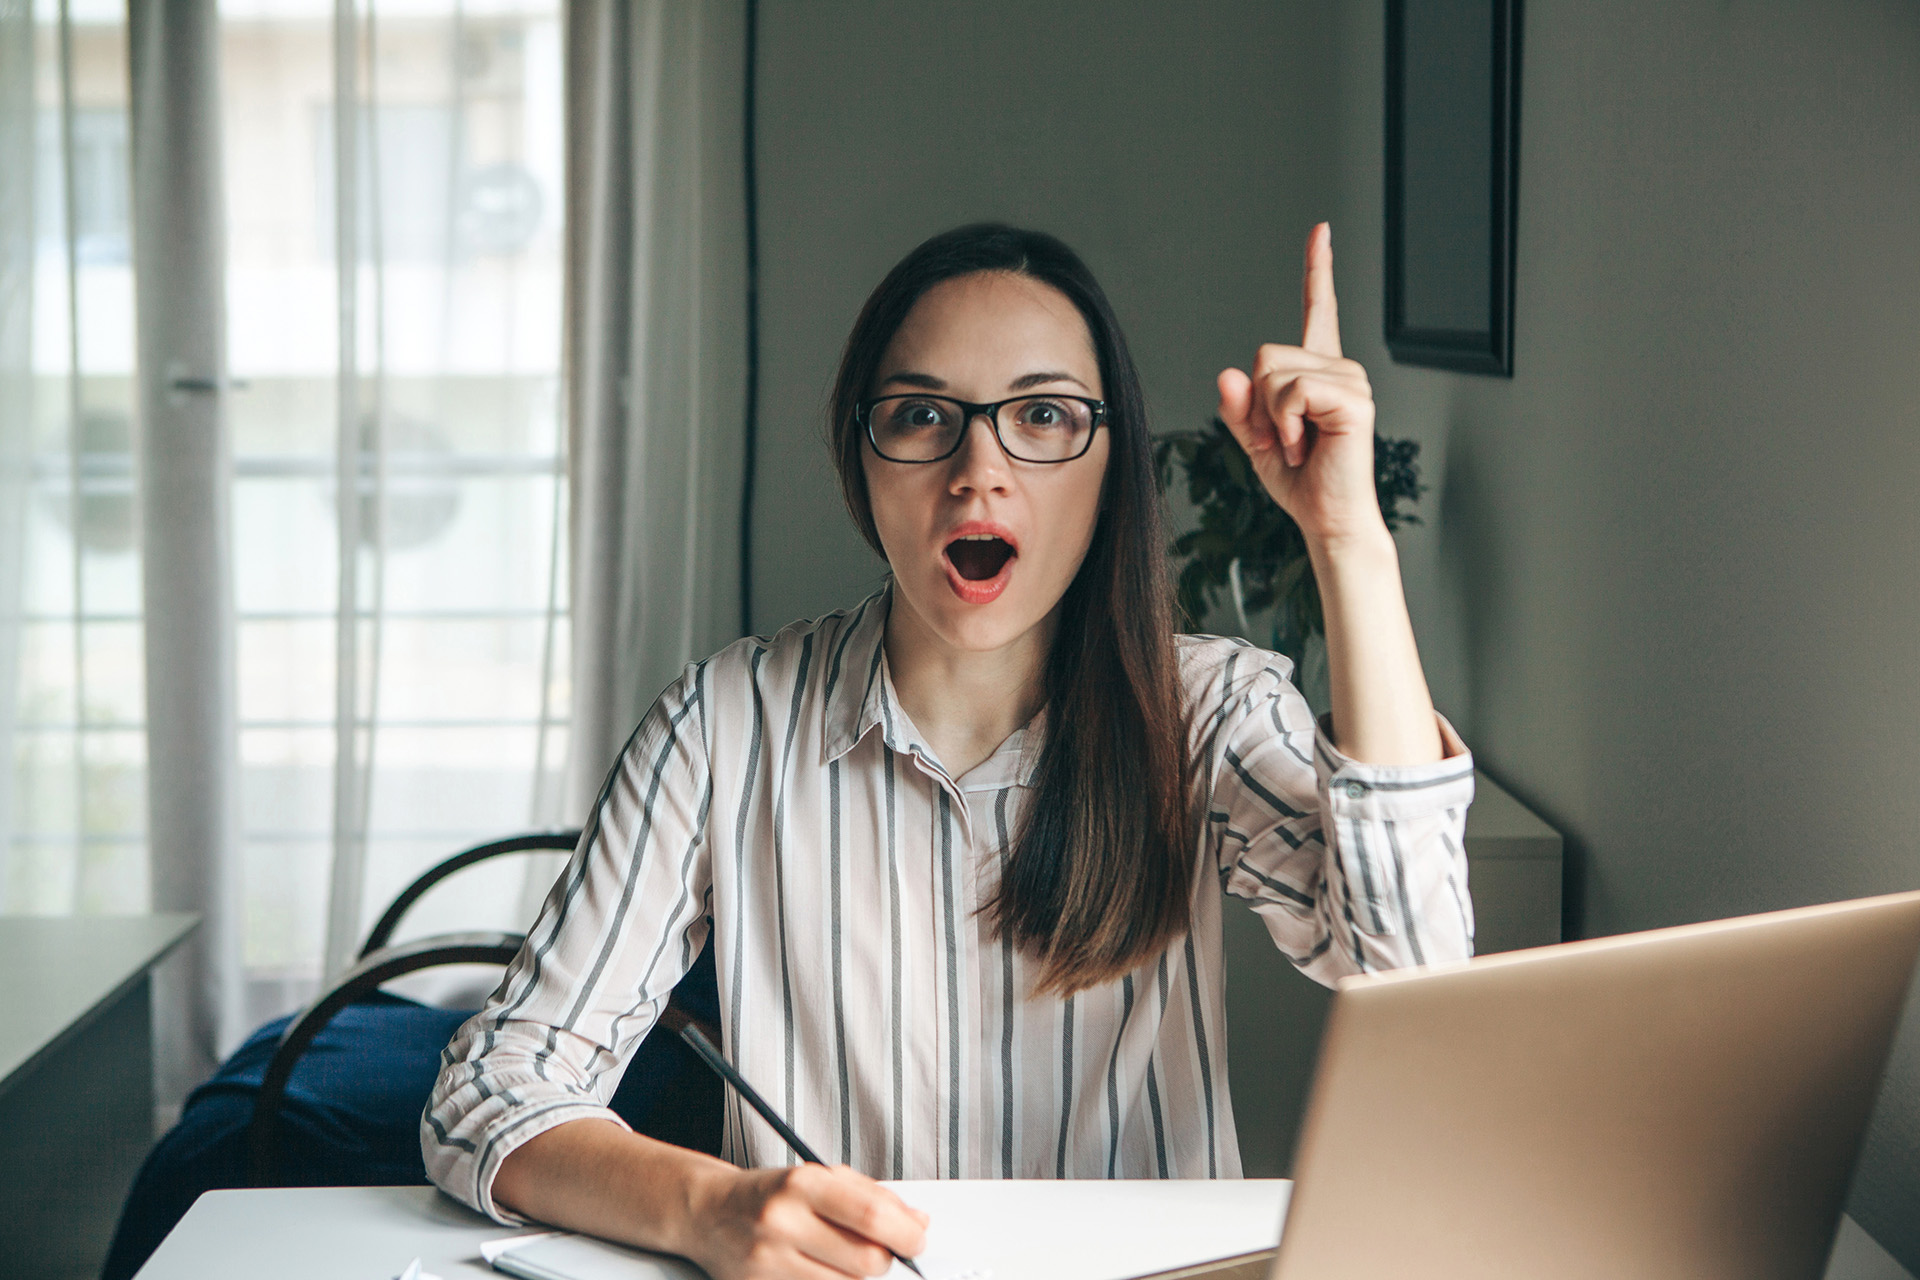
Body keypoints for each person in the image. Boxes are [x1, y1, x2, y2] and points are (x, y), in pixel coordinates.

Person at [423, 222, 1474, 1280]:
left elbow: (1413, 976)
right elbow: (491, 1087)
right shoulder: (723, 723)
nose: (980, 472)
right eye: (923, 415)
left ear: (1112, 465)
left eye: (1045, 415)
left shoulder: (1209, 707)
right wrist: (712, 1204)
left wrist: (1348, 536)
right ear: (859, 454)